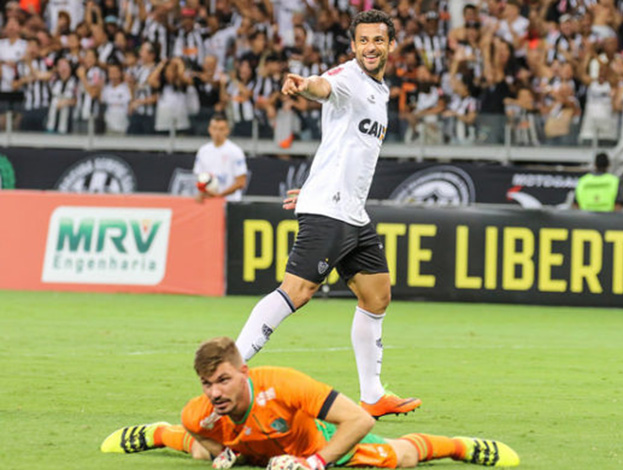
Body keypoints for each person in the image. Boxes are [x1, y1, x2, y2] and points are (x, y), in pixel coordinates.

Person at [234, 9, 421, 419]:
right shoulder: (348, 79)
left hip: (350, 211)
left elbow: (346, 147)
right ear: (353, 47)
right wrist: (305, 86)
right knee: (297, 291)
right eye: (363, 41)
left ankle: (372, 395)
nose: (371, 47)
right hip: (331, 211)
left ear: (390, 45)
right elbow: (324, 87)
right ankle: (229, 367)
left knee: (377, 295)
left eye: (378, 40)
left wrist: (318, 182)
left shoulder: (381, 90)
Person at [100, 337, 520, 469]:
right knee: (199, 448)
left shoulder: (283, 385)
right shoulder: (200, 410)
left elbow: (359, 420)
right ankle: (154, 434)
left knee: (396, 459)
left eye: (224, 380)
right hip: (258, 450)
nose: (215, 392)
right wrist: (226, 451)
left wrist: (315, 463)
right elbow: (196, 427)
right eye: (208, 384)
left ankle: (459, 446)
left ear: (244, 373)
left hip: (308, 448)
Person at [193, 113, 248, 202]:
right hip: (209, 202)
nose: (217, 133)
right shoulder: (203, 151)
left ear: (227, 131)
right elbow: (199, 177)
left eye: (221, 129)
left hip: (230, 202)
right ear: (209, 129)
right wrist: (202, 192)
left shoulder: (235, 151)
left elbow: (241, 182)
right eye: (214, 128)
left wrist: (220, 196)